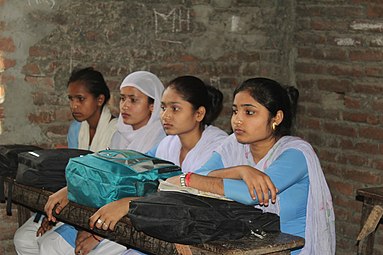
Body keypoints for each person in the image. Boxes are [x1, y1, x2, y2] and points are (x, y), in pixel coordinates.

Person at [166, 77, 336, 255]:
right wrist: (240, 171)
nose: (237, 120)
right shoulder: (234, 145)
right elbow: (201, 173)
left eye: (249, 112)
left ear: (276, 117)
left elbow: (250, 194)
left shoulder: (296, 153)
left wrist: (188, 180)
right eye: (235, 111)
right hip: (244, 245)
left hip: (290, 250)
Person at [82, 75, 228, 255]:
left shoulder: (217, 147)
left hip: (202, 239)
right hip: (167, 229)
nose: (165, 115)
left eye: (175, 109)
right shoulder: (169, 143)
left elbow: (189, 200)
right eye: (163, 107)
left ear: (199, 114)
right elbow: (134, 171)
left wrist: (129, 203)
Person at [39, 71, 167, 255]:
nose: (125, 106)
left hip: (132, 225)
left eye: (133, 100)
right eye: (122, 98)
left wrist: (96, 235)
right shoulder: (119, 136)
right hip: (101, 216)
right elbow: (101, 181)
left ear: (152, 106)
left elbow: (150, 195)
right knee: (48, 246)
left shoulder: (160, 141)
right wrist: (69, 192)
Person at [13, 67, 117, 255]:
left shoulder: (116, 131)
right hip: (72, 197)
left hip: (97, 206)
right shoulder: (76, 129)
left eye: (81, 99)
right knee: (22, 238)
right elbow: (71, 175)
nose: (74, 105)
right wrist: (53, 214)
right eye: (71, 99)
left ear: (99, 100)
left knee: (49, 245)